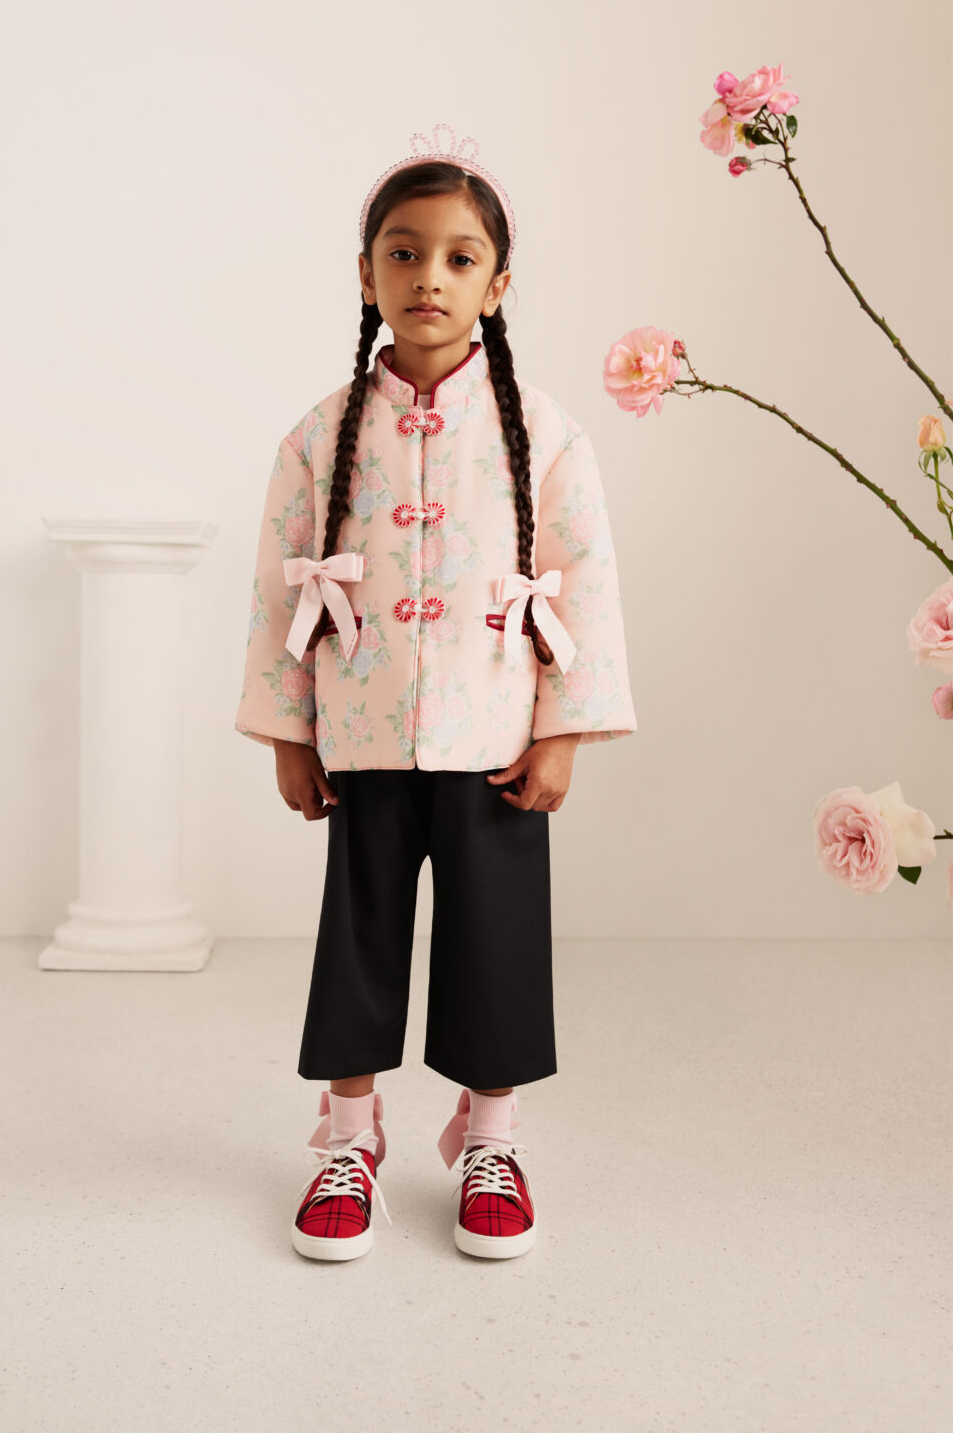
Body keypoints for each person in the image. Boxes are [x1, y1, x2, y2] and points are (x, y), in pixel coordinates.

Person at [234, 122, 638, 1262]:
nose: (429, 277)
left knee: (493, 941)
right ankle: (347, 1137)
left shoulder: (545, 433)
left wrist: (563, 732)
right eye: (403, 253)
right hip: (362, 732)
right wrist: (289, 732)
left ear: (497, 286)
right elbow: (278, 587)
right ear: (366, 274)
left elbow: (586, 580)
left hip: (495, 734)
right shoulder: (320, 435)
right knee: (358, 936)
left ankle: (490, 1139)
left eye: (460, 258)